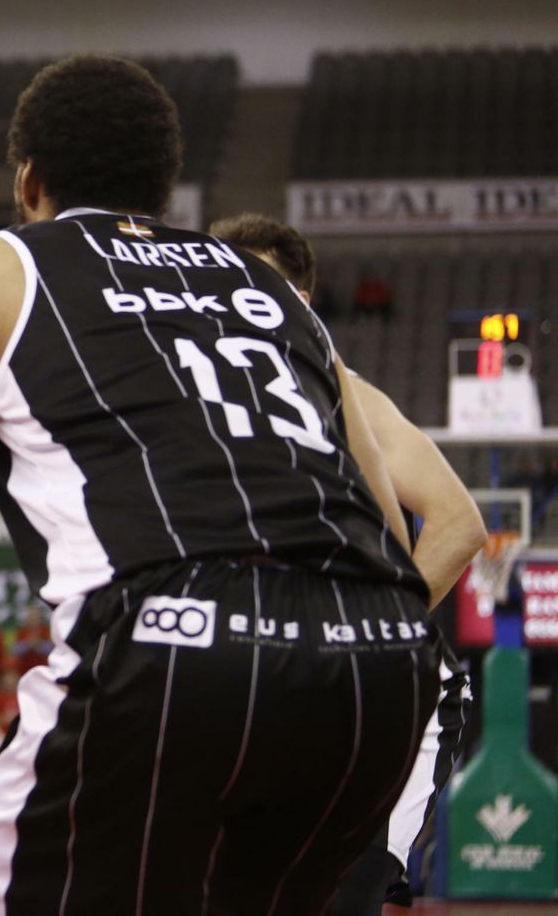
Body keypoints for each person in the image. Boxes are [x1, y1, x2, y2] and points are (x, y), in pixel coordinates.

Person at [0, 55, 443, 915]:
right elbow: (389, 527)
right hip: (384, 662)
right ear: (164, 185)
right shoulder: (271, 290)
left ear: (28, 180)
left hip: (174, 641)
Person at [210, 212, 487, 914]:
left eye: (251, 284)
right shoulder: (205, 398)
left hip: (380, 696)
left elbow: (458, 524)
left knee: (335, 899)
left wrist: (367, 632)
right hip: (266, 687)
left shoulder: (346, 396)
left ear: (299, 302)